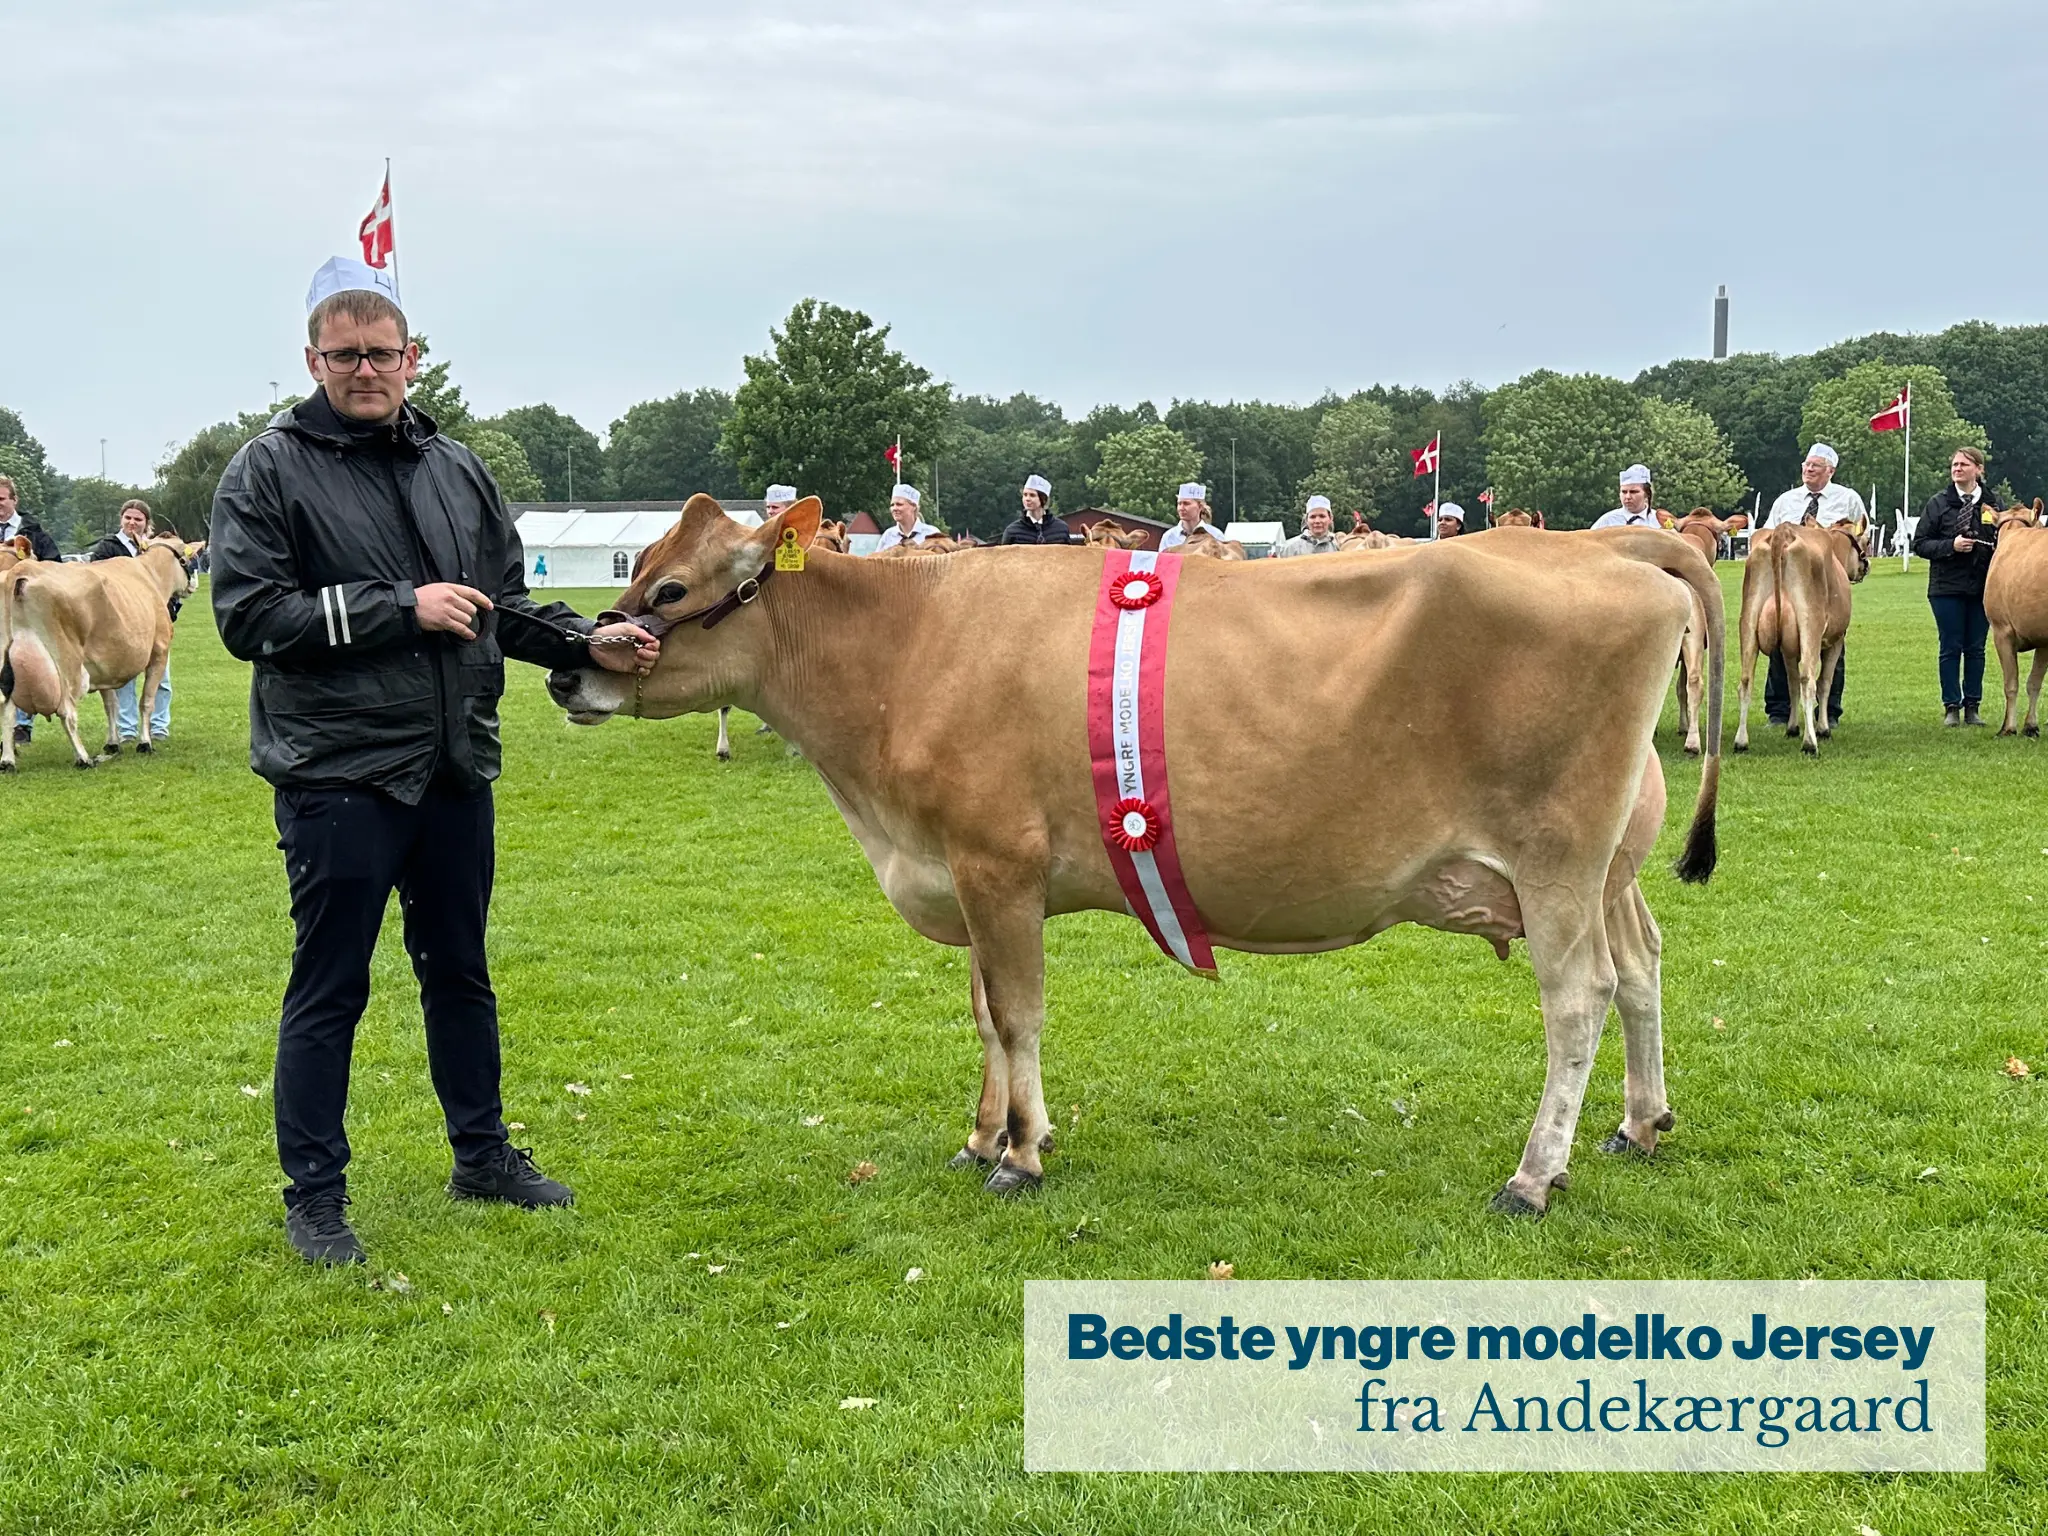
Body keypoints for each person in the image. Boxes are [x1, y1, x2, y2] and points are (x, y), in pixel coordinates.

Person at [210, 256, 658, 1267]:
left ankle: (482, 1155)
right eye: (345, 355)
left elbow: (498, 600)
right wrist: (394, 608)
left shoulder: (455, 466)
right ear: (313, 359)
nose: (365, 370)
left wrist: (588, 640)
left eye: (382, 353)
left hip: (454, 764)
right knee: (330, 985)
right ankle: (315, 1198)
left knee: (460, 971)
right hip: (339, 773)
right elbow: (246, 617)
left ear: (412, 360)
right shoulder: (267, 469)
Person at [1761, 444, 1867, 726]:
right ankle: (1779, 709)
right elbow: (1769, 533)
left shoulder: (1848, 499)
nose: (1808, 470)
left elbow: (1860, 535)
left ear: (1830, 471)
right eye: (1806, 465)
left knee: (1833, 640)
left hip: (1828, 582)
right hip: (1788, 578)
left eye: (1816, 466)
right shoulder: (1786, 501)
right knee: (1783, 638)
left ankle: (1829, 709)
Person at [1913, 446, 2003, 726]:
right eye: (1954, 464)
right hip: (1946, 588)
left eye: (1964, 464)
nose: (1957, 469)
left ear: (1979, 469)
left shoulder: (1994, 504)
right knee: (1950, 646)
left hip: (1982, 588)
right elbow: (1920, 543)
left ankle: (1973, 706)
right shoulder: (1938, 503)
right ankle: (1951, 706)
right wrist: (1950, 546)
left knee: (1976, 648)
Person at [90, 499, 173, 744]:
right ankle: (126, 729)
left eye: (138, 519)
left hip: (154, 621)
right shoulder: (107, 548)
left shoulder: (156, 550)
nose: (132, 523)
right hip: (121, 622)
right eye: (128, 518)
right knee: (123, 679)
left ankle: (159, 726)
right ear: (121, 519)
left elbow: (168, 584)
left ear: (147, 522)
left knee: (161, 677)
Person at [0, 473, 63, 744]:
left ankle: (22, 724)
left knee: (23, 663)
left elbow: (56, 567)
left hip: (25, 612)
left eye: (2, 498)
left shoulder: (34, 534)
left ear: (14, 500)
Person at [1000, 474, 1072, 545]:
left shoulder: (1061, 529)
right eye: (1025, 495)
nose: (1027, 499)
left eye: (1032, 495)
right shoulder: (1012, 532)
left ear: (1043, 499)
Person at [1591, 465, 1662, 529]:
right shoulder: (1608, 521)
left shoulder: (1658, 522)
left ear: (1647, 494)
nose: (1627, 497)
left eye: (1633, 492)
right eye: (1624, 492)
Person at [875, 485, 941, 550]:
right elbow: (876, 559)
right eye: (892, 505)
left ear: (914, 506)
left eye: (899, 504)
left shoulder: (931, 534)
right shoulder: (888, 536)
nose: (894, 508)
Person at [1158, 484, 1222, 550]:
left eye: (1186, 503)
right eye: (1179, 503)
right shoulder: (1169, 537)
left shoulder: (1216, 535)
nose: (1181, 508)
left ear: (1200, 507)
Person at [1273, 495, 1341, 557]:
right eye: (1312, 517)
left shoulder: (1340, 545)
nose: (1317, 521)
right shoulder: (1290, 548)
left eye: (1322, 516)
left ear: (1330, 518)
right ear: (1306, 520)